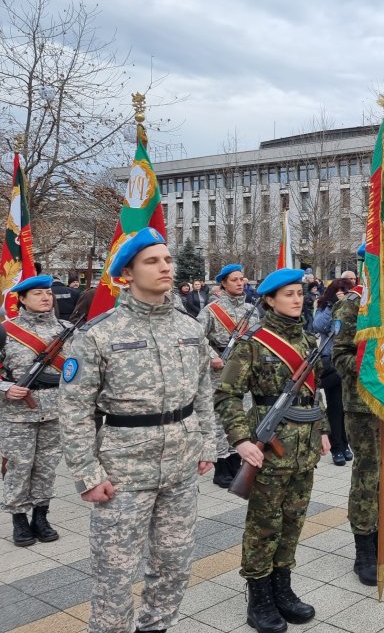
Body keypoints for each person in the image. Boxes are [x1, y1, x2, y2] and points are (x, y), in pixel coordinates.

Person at [60, 228, 217, 633]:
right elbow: (74, 410)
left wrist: (207, 443)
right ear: (126, 273)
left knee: (175, 566)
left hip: (180, 468)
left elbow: (202, 390)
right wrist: (87, 474)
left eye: (167, 259)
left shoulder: (188, 327)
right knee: (114, 578)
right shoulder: (98, 334)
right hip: (124, 472)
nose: (165, 266)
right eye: (152, 261)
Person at [215, 267, 330, 633]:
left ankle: (283, 587)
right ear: (269, 299)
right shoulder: (254, 343)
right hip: (270, 450)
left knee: (294, 521)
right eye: (289, 294)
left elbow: (315, 393)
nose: (298, 299)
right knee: (264, 525)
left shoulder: (309, 342)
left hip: (305, 449)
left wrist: (324, 430)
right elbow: (227, 395)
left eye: (300, 293)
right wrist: (242, 440)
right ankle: (259, 595)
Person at [331, 248, 384, 585]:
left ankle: (382, 536)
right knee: (368, 477)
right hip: (363, 405)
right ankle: (364, 547)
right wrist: (373, 370)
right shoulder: (353, 304)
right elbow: (339, 356)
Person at [1, 275, 67, 546]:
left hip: (54, 412)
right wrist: (6, 388)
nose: (45, 298)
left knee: (47, 467)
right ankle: (19, 519)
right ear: (23, 299)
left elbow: (78, 372)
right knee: (19, 467)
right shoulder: (6, 331)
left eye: (48, 294)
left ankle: (41, 515)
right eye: (38, 294)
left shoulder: (66, 329)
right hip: (18, 415)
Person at [196, 263, 259, 487]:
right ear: (223, 283)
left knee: (240, 413)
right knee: (219, 417)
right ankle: (221, 464)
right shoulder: (211, 311)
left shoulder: (251, 310)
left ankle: (235, 459)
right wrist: (212, 356)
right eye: (235, 279)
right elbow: (197, 338)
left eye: (242, 279)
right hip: (219, 370)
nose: (241, 283)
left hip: (243, 370)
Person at [312, 276, 351, 466]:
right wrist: (333, 306)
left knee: (346, 406)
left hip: (349, 362)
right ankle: (337, 446)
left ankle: (345, 442)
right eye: (340, 290)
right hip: (331, 362)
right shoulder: (324, 306)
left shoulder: (355, 305)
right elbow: (319, 326)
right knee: (335, 406)